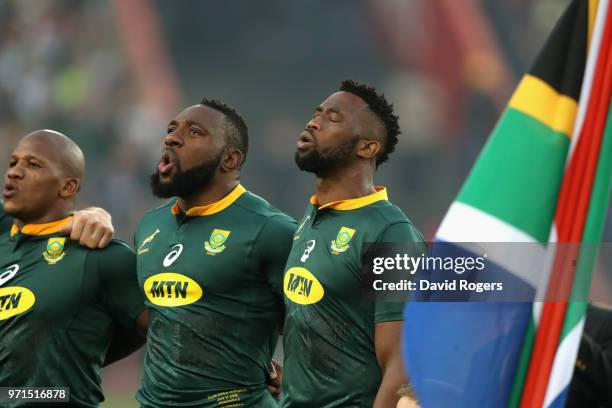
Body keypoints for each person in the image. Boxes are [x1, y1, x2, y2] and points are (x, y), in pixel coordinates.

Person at [136, 99, 296, 407]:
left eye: (194, 132)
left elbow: (317, 324)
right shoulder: (150, 225)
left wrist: (295, 377)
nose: (171, 138)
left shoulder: (271, 230)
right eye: (171, 130)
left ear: (230, 159)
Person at [279, 80, 425, 407]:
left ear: (367, 148)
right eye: (316, 114)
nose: (313, 122)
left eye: (333, 118)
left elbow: (401, 369)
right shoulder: (312, 217)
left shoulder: (389, 233)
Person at [0, 130, 147, 407]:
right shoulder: (4, 240)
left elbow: (171, 337)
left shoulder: (99, 257)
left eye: (33, 165)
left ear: (67, 187)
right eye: (13, 163)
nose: (14, 173)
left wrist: (86, 353)